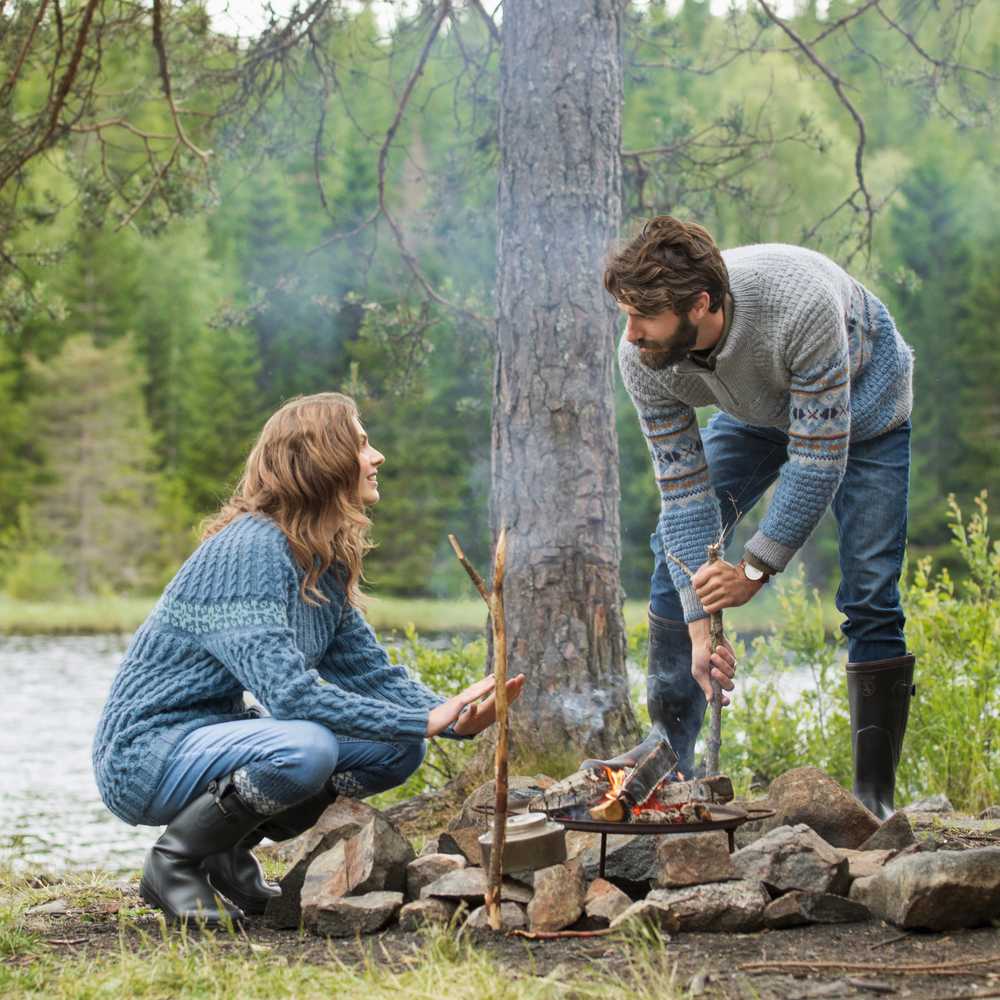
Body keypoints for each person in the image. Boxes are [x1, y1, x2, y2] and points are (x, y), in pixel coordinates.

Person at [92, 392, 525, 925]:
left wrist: (453, 716)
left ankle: (226, 849)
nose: (377, 456)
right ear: (322, 460)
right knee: (307, 747)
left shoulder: (320, 559)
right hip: (145, 754)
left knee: (396, 748)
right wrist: (423, 719)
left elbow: (371, 676)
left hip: (214, 741)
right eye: (361, 445)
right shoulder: (248, 550)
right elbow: (292, 696)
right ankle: (174, 862)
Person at [595, 216, 914, 819]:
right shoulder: (642, 358)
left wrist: (753, 571)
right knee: (674, 549)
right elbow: (684, 495)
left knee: (870, 590)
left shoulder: (800, 306)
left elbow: (818, 459)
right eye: (626, 315)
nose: (630, 334)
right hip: (759, 411)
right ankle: (669, 755)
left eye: (643, 317)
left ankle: (872, 799)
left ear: (700, 304)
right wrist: (700, 629)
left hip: (867, 406)